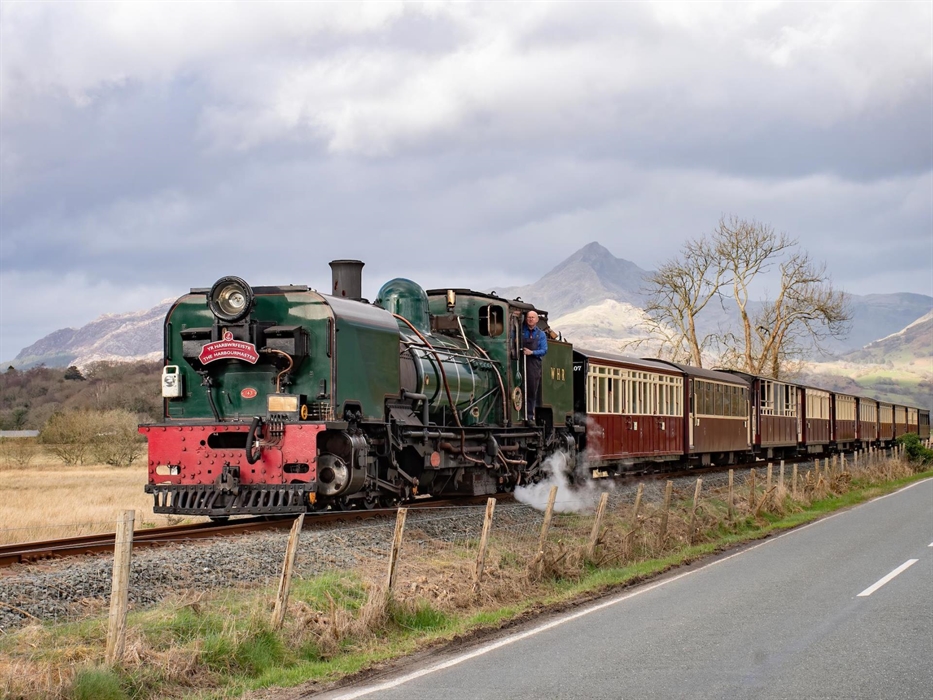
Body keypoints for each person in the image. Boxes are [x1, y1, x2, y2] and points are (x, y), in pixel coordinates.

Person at [522, 310, 548, 422]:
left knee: (531, 390)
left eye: (533, 317)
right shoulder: (521, 332)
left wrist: (532, 352)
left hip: (533, 364)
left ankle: (530, 416)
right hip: (520, 361)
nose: (530, 319)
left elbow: (544, 350)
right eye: (529, 317)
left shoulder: (541, 334)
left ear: (537, 320)